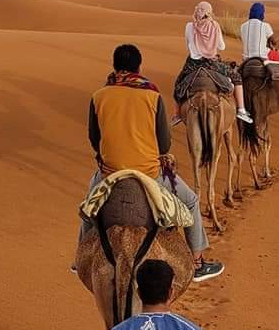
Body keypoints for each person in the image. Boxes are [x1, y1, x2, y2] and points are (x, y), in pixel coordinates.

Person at [88, 44, 224, 282]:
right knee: (191, 201)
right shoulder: (152, 95)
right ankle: (198, 262)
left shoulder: (98, 96)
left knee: (88, 206)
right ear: (139, 67)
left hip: (110, 172)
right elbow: (164, 144)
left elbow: (94, 138)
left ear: (114, 66)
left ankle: (83, 259)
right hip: (149, 172)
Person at [172, 2, 252, 126]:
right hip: (211, 63)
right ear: (208, 12)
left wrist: (197, 49)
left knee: (178, 84)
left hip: (193, 63)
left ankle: (177, 115)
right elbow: (222, 46)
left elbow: (188, 45)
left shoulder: (189, 26)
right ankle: (241, 110)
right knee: (236, 78)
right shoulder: (215, 25)